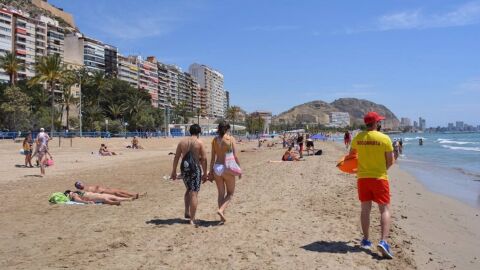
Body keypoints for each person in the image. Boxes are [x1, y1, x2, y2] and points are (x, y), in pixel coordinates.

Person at [349, 111, 395, 259]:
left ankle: (366, 240)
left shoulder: (358, 137)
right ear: (376, 123)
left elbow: (351, 156)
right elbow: (390, 160)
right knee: (384, 209)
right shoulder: (384, 138)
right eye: (379, 121)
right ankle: (384, 241)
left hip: (362, 178)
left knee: (365, 209)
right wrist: (382, 170)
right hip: (379, 178)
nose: (380, 123)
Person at [170, 124, 208, 226]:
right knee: (194, 193)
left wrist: (173, 171)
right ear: (199, 132)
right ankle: (192, 219)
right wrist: (205, 173)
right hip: (195, 169)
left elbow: (176, 157)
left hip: (185, 169)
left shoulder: (182, 142)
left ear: (189, 131)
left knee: (188, 189)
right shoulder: (199, 142)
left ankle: (187, 212)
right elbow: (204, 159)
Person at [208, 121, 241, 223]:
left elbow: (213, 158)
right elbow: (235, 156)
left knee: (221, 193)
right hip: (227, 167)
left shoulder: (214, 140)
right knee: (230, 193)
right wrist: (239, 169)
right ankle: (221, 210)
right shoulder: (230, 139)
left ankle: (221, 216)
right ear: (227, 129)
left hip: (217, 167)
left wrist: (210, 172)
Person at [74, 181, 143, 199]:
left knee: (120, 191)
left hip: (105, 189)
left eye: (80, 183)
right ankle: (130, 197)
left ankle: (135, 194)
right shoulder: (83, 191)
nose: (81, 185)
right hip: (102, 192)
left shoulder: (86, 186)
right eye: (79, 185)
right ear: (78, 187)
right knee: (117, 193)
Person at [64, 190, 133, 205]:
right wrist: (87, 202)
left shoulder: (74, 194)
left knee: (109, 197)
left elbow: (77, 199)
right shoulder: (73, 195)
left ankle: (127, 199)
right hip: (92, 197)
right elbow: (78, 200)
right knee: (106, 198)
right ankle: (127, 199)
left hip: (93, 196)